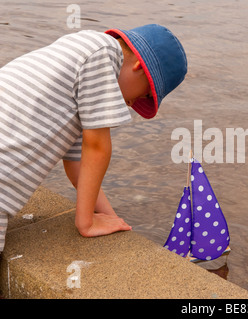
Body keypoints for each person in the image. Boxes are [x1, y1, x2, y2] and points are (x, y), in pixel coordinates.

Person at [0, 24, 188, 253]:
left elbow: (78, 163)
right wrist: (86, 222)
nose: (132, 104)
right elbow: (97, 147)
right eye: (145, 94)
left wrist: (109, 216)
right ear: (139, 67)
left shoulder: (81, 48)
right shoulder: (103, 57)